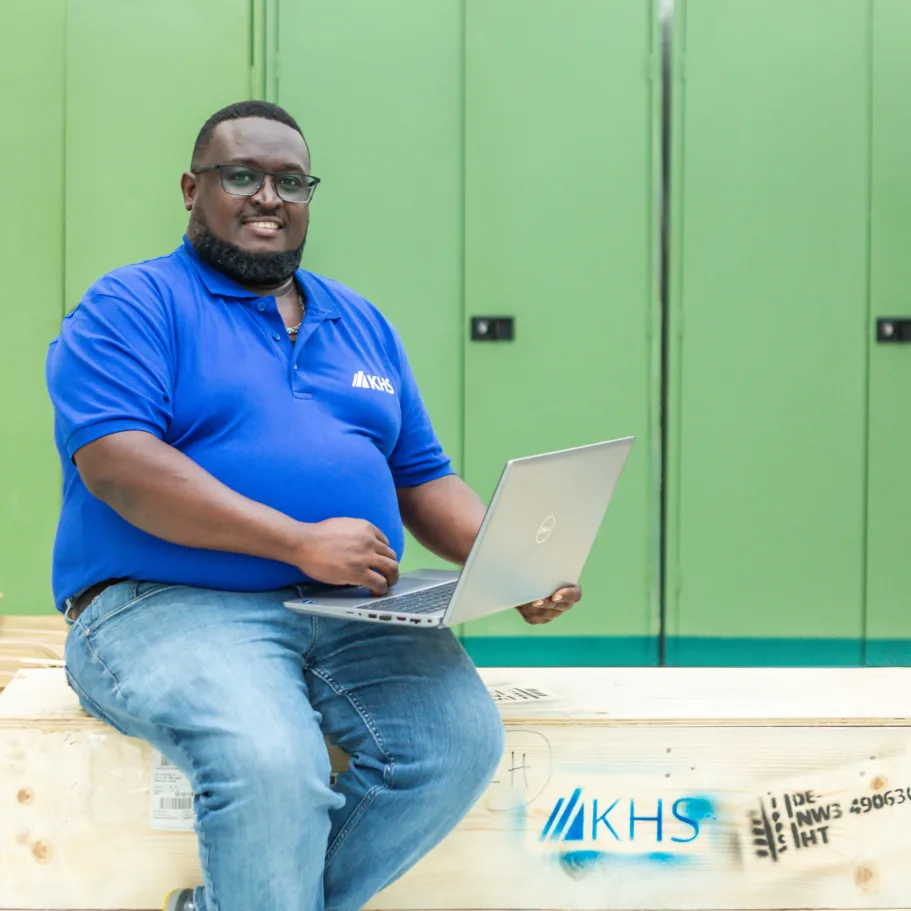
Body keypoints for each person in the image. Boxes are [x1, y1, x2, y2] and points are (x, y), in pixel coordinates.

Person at [46, 100, 582, 911]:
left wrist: (509, 560)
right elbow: (118, 465)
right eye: (242, 176)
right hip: (161, 606)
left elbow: (423, 477)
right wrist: (296, 541)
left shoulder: (358, 322)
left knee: (452, 743)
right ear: (192, 189)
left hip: (348, 610)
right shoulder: (132, 305)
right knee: (270, 759)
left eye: (290, 181)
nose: (269, 196)